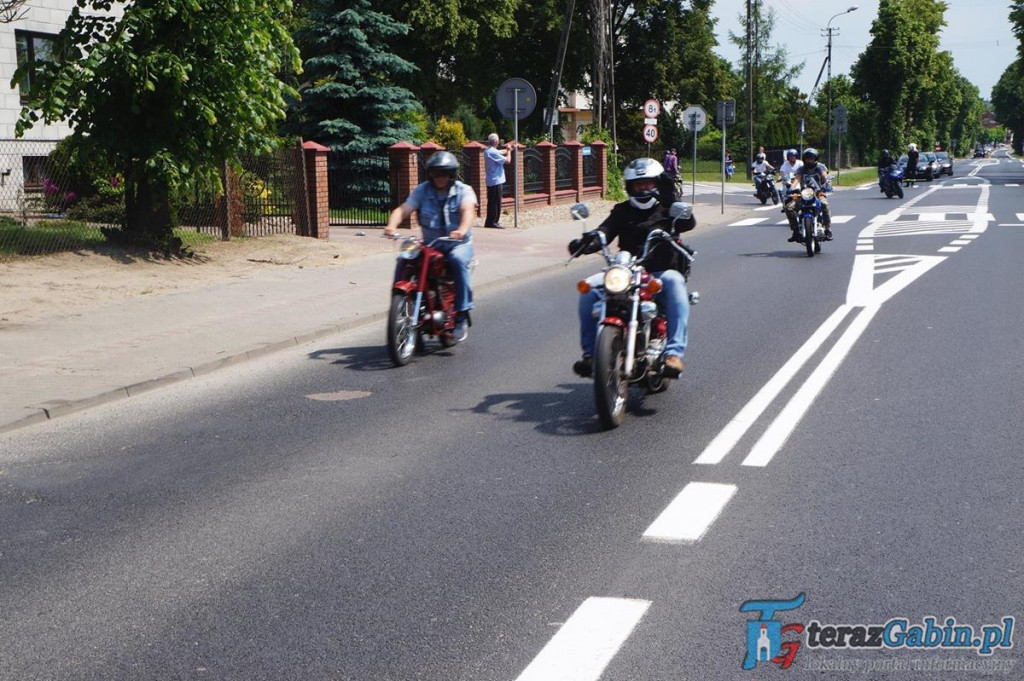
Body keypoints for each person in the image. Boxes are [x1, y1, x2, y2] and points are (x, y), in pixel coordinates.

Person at [567, 158, 696, 379]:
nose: (643, 188)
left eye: (648, 183)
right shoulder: (622, 210)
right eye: (638, 185)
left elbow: (688, 223)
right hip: (626, 271)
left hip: (660, 271)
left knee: (675, 283)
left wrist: (671, 199)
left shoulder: (667, 208)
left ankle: (673, 354)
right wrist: (587, 242)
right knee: (588, 289)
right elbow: (605, 231)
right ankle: (590, 355)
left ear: (657, 183)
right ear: (630, 187)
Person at [384, 151, 476, 342]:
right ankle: (400, 301)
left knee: (458, 260)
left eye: (444, 173)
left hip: (457, 244)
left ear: (452, 174)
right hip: (431, 244)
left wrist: (461, 229)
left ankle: (461, 315)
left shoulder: (464, 190)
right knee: (405, 256)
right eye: (435, 173)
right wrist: (392, 225)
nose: (440, 178)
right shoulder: (422, 190)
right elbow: (403, 209)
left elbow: (468, 211)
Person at [784, 147, 832, 241]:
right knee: (789, 207)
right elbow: (797, 179)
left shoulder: (819, 167)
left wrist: (828, 184)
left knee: (825, 205)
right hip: (804, 194)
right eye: (807, 158)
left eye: (811, 158)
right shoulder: (802, 169)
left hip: (818, 193)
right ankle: (796, 231)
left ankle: (828, 229)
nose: (809, 160)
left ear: (815, 159)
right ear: (804, 159)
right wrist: (791, 188)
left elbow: (824, 176)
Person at [483, 133, 512, 229]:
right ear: (496, 141)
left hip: (491, 180)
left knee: (491, 202)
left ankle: (489, 221)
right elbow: (508, 161)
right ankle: (494, 222)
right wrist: (509, 152)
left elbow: (499, 152)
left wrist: (510, 148)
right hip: (496, 181)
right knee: (496, 202)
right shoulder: (492, 152)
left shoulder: (488, 151)